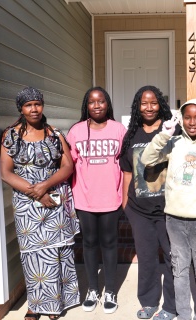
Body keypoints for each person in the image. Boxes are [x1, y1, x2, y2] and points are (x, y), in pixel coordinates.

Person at [141, 98, 196, 320]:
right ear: (181, 119)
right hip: (175, 220)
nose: (192, 122)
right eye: (187, 117)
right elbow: (146, 158)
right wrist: (164, 135)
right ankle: (183, 316)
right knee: (179, 273)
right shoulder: (174, 144)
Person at [0, 87, 80, 320]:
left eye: (37, 104)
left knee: (56, 252)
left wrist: (45, 186)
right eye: (28, 105)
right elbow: (6, 172)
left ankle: (55, 304)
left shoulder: (54, 134)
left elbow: (67, 166)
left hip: (55, 198)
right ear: (21, 109)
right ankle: (35, 306)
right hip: (27, 203)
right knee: (33, 254)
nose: (34, 109)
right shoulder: (11, 136)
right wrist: (36, 192)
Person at [66, 86, 126, 314]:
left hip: (111, 198)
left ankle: (110, 290)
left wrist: (125, 196)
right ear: (86, 106)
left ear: (107, 104)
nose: (97, 105)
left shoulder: (119, 129)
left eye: (101, 101)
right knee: (89, 244)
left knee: (110, 244)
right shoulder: (76, 131)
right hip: (85, 199)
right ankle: (93, 289)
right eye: (92, 102)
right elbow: (69, 165)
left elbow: (127, 164)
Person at [120, 86, 178, 320]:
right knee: (146, 257)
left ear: (160, 104)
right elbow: (126, 171)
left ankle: (172, 305)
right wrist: (126, 204)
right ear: (137, 106)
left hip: (169, 209)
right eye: (144, 103)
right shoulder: (132, 134)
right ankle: (149, 302)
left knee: (173, 257)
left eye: (154, 102)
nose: (149, 107)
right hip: (139, 210)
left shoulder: (172, 130)